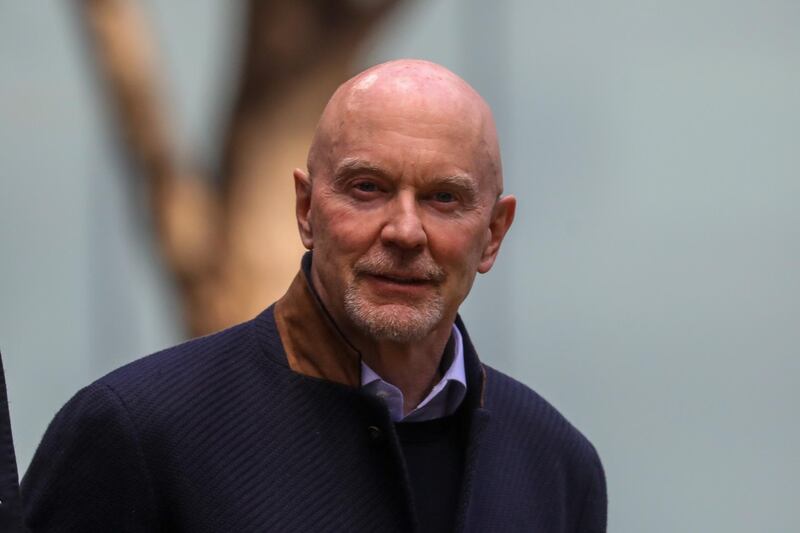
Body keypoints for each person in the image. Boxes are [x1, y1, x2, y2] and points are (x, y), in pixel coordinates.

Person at [21, 59, 607, 532]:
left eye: (443, 199)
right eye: (368, 188)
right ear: (306, 210)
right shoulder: (139, 435)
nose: (404, 231)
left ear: (493, 235)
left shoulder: (556, 467)